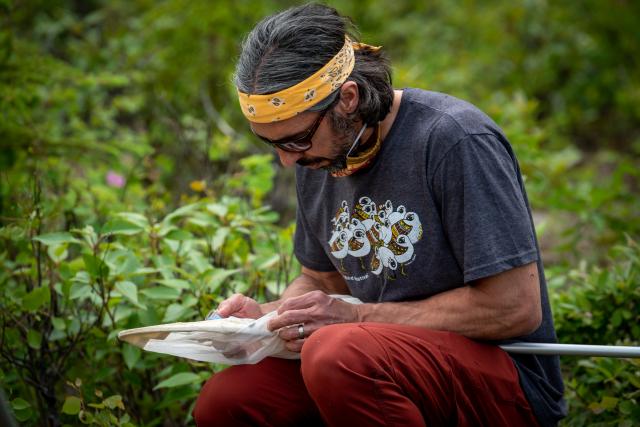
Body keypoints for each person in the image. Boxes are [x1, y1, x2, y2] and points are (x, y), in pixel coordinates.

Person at [194, 4, 566, 426]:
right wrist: (268, 317)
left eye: (295, 141)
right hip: (371, 361)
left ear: (348, 99)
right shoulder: (319, 156)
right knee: (229, 400)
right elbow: (319, 281)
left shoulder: (455, 140)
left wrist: (357, 317)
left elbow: (513, 307)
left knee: (336, 353)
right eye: (272, 144)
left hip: (504, 378)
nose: (285, 160)